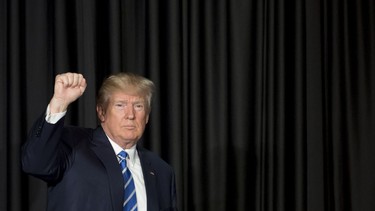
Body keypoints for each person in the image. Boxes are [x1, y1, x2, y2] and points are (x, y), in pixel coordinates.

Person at [21, 72, 177, 211]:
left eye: (138, 106)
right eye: (120, 105)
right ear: (102, 113)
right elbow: (35, 163)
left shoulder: (162, 171)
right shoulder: (74, 144)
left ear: (147, 116)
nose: (130, 115)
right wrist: (59, 103)